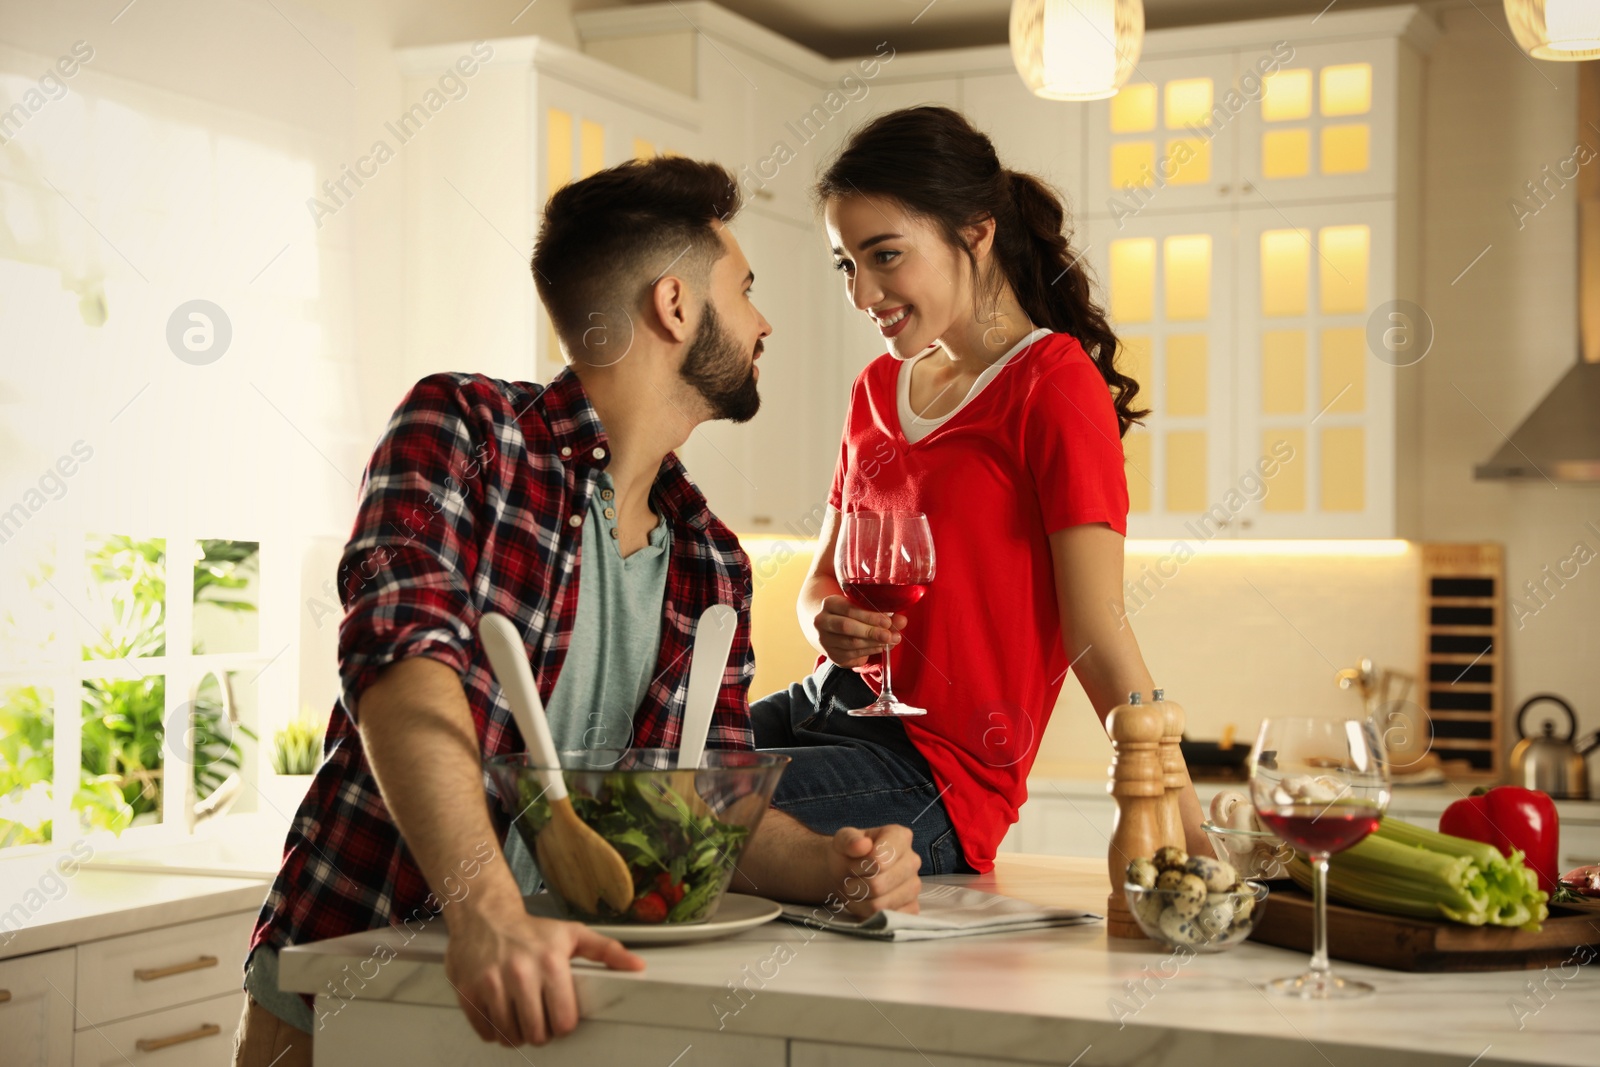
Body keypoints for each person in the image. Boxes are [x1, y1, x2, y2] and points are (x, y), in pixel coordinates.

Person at [232, 156, 923, 1067]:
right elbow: (402, 670)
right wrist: (488, 913)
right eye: (746, 290)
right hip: (359, 987)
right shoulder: (465, 433)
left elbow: (706, 802)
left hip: (566, 1005)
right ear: (676, 306)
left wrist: (834, 867)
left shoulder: (711, 561)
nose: (764, 323)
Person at [750, 105, 1210, 878]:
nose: (863, 292)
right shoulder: (876, 387)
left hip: (935, 778)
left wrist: (1190, 831)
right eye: (846, 265)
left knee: (679, 809)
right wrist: (827, 623)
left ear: (976, 231)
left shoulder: (1054, 384)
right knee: (627, 768)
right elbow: (821, 583)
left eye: (885, 256)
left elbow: (1098, 628)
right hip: (818, 706)